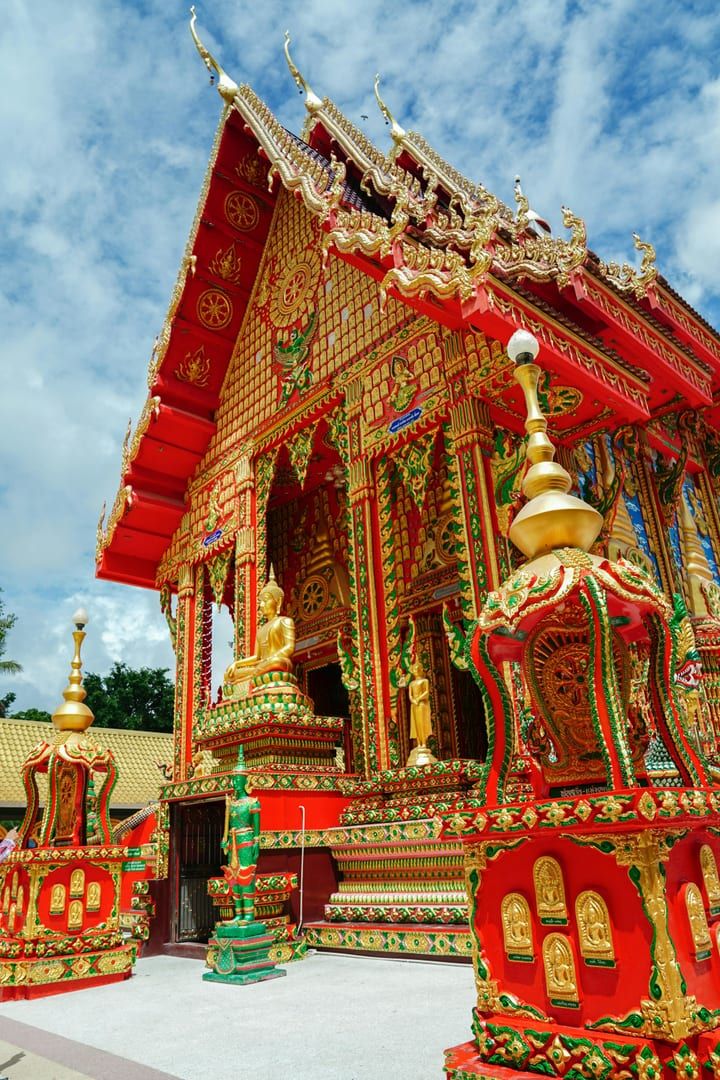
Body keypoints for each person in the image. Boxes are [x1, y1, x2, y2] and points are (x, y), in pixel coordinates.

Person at [224, 567, 295, 687]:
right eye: (260, 601)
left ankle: (249, 679)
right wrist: (237, 664)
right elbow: (256, 656)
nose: (262, 605)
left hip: (276, 662)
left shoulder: (285, 621)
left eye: (266, 600)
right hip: (262, 665)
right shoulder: (260, 630)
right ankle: (251, 677)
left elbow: (289, 647)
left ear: (278, 602)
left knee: (276, 663)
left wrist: (271, 658)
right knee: (230, 674)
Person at [221, 749, 261, 922]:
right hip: (233, 842)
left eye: (238, 780)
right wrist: (225, 841)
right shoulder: (232, 804)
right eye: (234, 780)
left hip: (246, 841)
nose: (235, 783)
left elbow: (257, 829)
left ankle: (249, 913)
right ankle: (238, 913)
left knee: (246, 875)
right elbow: (228, 826)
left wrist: (256, 845)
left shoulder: (253, 803)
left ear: (245, 781)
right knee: (233, 876)